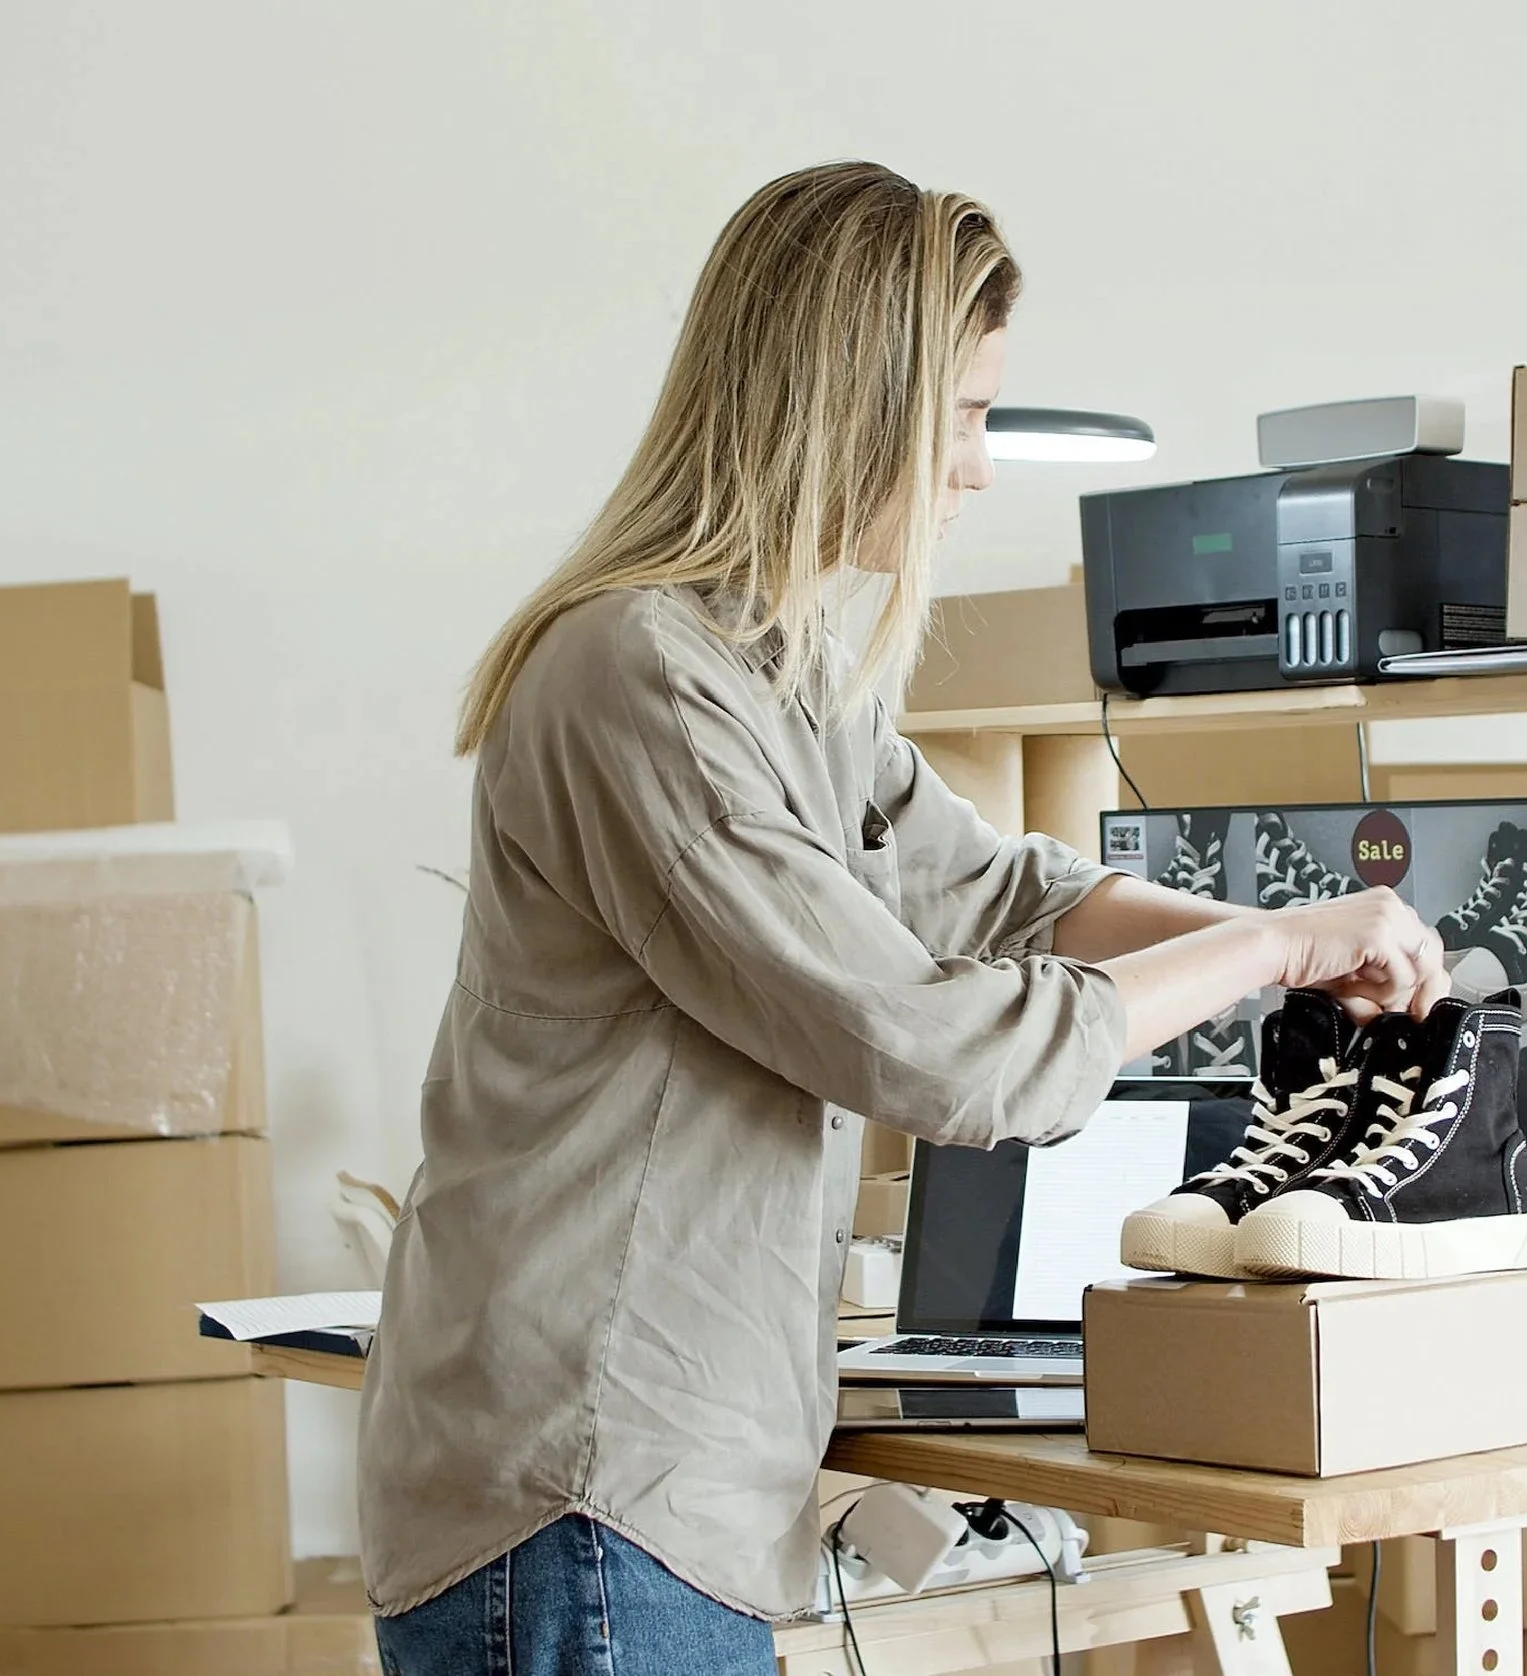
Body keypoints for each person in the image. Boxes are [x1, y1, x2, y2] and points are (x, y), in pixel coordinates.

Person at [358, 160, 1449, 1676]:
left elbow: (996, 893)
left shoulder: (779, 677)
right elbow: (927, 1043)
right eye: (968, 419)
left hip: (661, 1488)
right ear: (850, 406)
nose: (979, 473)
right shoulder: (644, 679)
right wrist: (1273, 950)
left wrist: (1314, 939)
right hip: (589, 1488)